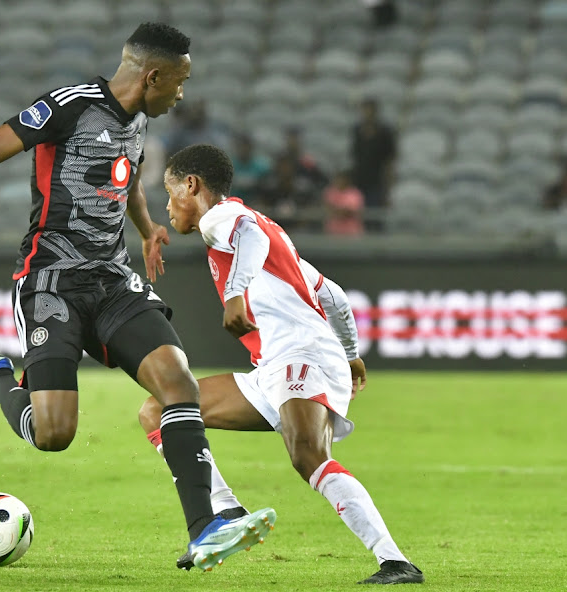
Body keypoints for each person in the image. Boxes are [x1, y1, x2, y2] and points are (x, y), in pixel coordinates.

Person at [0, 23, 275, 572]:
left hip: (112, 281)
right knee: (54, 433)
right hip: (52, 282)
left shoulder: (138, 121)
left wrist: (144, 227)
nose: (182, 94)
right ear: (153, 75)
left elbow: (126, 175)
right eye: (179, 82)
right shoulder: (68, 107)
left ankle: (205, 527)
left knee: (177, 383)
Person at [137, 143, 424, 585]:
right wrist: (351, 356)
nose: (169, 205)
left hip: (300, 354)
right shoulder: (275, 236)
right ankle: (226, 511)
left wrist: (235, 293)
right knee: (158, 411)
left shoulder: (222, 218)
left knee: (308, 455)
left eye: (170, 191)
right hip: (276, 365)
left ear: (191, 185)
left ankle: (395, 561)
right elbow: (333, 296)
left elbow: (248, 234)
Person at [350, 98, 396, 233]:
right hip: (359, 177)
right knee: (359, 213)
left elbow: (389, 159)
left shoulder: (384, 132)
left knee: (375, 213)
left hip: (377, 179)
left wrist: (388, 182)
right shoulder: (357, 131)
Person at [229, 132, 271, 204]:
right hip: (234, 202)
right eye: (241, 146)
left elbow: (267, 184)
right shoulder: (230, 166)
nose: (244, 149)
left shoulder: (261, 166)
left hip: (254, 202)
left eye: (246, 146)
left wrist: (256, 183)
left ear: (251, 147)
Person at [322, 170, 365, 236]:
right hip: (333, 231)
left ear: (347, 181)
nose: (340, 181)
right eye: (338, 179)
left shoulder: (355, 193)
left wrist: (338, 211)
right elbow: (326, 208)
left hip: (352, 232)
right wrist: (340, 211)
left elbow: (353, 211)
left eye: (342, 179)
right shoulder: (330, 192)